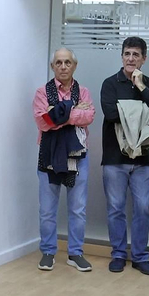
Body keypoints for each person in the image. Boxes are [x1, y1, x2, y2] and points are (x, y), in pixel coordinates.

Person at [100, 36, 149, 274]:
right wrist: (141, 110)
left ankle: (140, 256)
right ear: (122, 56)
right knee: (116, 208)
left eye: (136, 55)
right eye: (127, 54)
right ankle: (118, 254)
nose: (131, 58)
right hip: (114, 157)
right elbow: (110, 113)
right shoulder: (110, 83)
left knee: (143, 208)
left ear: (144, 59)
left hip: (143, 159)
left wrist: (141, 88)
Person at [34, 48, 96, 271]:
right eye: (58, 63)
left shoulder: (84, 92)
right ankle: (48, 252)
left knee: (77, 209)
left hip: (78, 157)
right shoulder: (42, 92)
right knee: (47, 210)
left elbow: (88, 117)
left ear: (74, 66)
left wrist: (58, 112)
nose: (63, 67)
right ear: (52, 67)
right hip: (49, 157)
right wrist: (73, 111)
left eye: (67, 62)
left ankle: (75, 253)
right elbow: (43, 122)